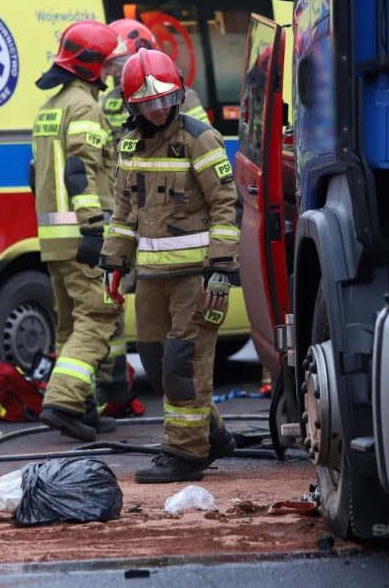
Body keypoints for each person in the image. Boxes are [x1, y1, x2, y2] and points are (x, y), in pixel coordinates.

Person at [100, 48, 241, 484]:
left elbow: (224, 206)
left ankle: (185, 452)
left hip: (195, 278)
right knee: (158, 363)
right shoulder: (129, 144)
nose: (159, 110)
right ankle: (211, 432)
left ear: (179, 96)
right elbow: (124, 212)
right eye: (148, 104)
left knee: (184, 363)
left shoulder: (201, 139)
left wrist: (220, 268)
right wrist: (113, 262)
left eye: (165, 101)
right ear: (131, 106)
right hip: (151, 278)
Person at [28, 20, 126, 442]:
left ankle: (82, 409)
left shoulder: (50, 107)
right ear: (89, 66)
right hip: (83, 236)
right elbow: (79, 170)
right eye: (106, 65)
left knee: (71, 325)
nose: (109, 73)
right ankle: (65, 403)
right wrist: (94, 230)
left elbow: (37, 175)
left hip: (54, 238)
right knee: (99, 318)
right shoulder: (84, 107)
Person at [102, 18, 211, 144]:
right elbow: (111, 152)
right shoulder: (112, 100)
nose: (112, 71)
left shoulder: (184, 97)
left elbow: (204, 142)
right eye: (109, 64)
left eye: (118, 63)